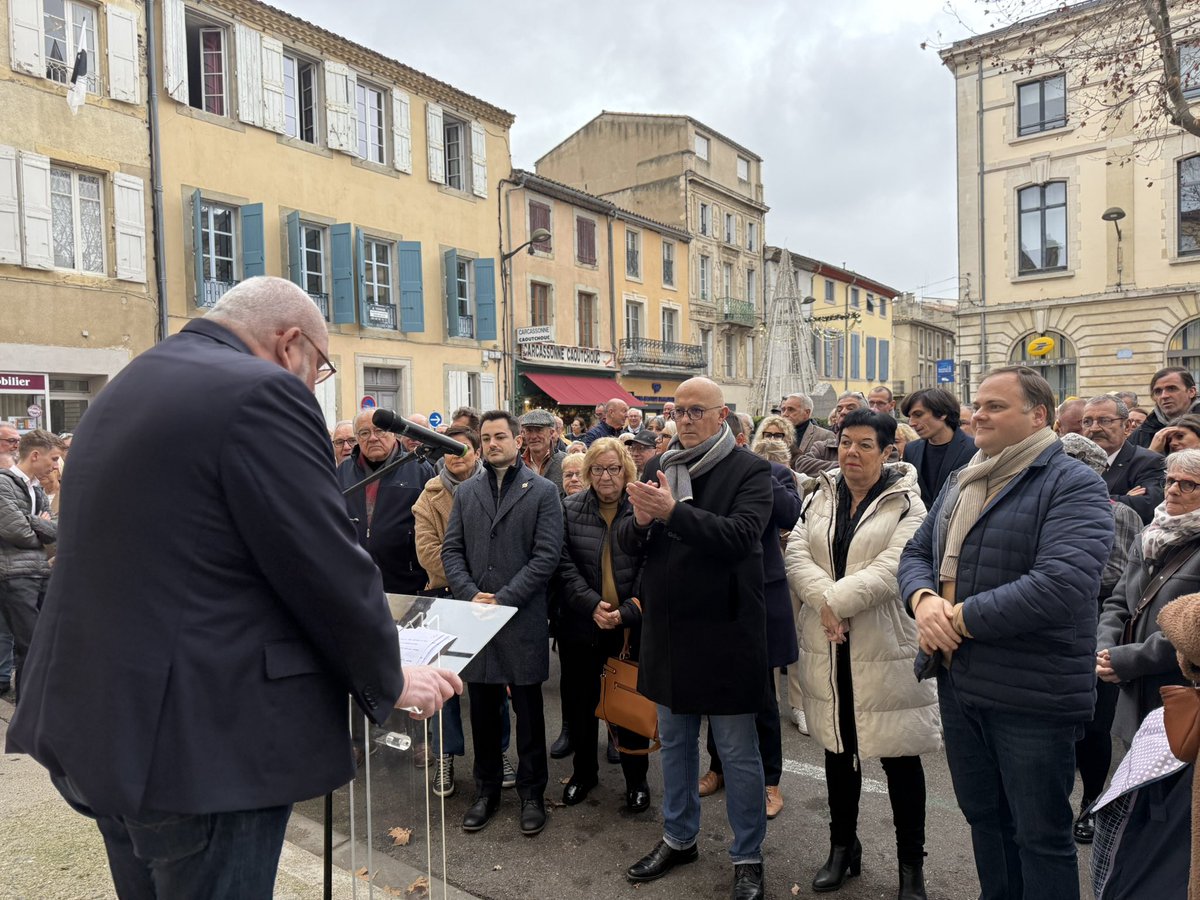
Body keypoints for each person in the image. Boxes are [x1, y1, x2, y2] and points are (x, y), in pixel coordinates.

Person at [5, 277, 460, 896]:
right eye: (320, 369)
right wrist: (389, 676)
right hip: (203, 741)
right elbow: (321, 559)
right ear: (291, 344)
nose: (312, 386)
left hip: (100, 723)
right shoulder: (264, 390)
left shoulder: (131, 383)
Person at [898, 365, 1114, 900]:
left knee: (1040, 836)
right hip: (960, 681)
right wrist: (923, 599)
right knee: (984, 818)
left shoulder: (1073, 482)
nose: (978, 415)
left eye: (995, 406)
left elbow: (1061, 584)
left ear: (1038, 415)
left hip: (1031, 690)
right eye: (978, 405)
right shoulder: (964, 477)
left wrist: (954, 619)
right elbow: (917, 552)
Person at [618, 376, 772, 900]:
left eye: (695, 411)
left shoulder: (750, 469)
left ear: (721, 415)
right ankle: (679, 838)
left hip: (726, 634)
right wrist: (641, 522)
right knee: (676, 747)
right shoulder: (658, 466)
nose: (684, 419)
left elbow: (740, 537)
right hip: (668, 631)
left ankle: (747, 857)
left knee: (737, 753)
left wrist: (672, 512)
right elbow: (629, 542)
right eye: (677, 411)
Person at [786, 409, 937, 899]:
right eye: (846, 442)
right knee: (838, 754)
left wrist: (836, 602)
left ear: (888, 451)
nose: (851, 452)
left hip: (885, 646)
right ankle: (842, 848)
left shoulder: (907, 502)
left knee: (900, 761)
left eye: (865, 444)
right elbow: (796, 553)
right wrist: (825, 604)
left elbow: (896, 566)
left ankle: (911, 867)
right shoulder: (821, 494)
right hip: (829, 643)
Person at [441, 410, 564, 837]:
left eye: (500, 436)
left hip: (520, 618)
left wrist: (504, 599)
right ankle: (487, 791)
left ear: (517, 441)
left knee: (528, 713)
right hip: (477, 617)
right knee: (483, 714)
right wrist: (469, 593)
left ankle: (532, 794)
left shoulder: (543, 491)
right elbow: (452, 550)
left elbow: (547, 556)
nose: (492, 444)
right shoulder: (466, 492)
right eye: (486, 438)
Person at [699, 412, 801, 823]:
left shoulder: (773, 472)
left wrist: (758, 472)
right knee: (716, 687)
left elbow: (790, 514)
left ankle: (770, 780)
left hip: (761, 592)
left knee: (761, 695)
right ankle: (718, 767)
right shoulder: (702, 471)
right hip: (716, 595)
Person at [555, 437, 651, 812]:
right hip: (582, 624)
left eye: (613, 468)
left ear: (626, 471)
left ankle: (636, 780)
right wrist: (592, 605)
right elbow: (563, 566)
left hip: (628, 628)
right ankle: (583, 774)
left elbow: (649, 564)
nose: (605, 476)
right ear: (587, 472)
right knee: (581, 705)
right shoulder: (569, 509)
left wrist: (627, 611)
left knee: (629, 707)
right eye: (597, 468)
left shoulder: (641, 508)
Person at [1058, 433, 1145, 845]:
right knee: (1056, 725)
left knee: (1095, 725)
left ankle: (1091, 803)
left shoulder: (1119, 513)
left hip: (1098, 622)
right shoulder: (1039, 508)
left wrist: (1064, 574)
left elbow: (1124, 580)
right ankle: (1056, 805)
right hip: (1048, 628)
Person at [1096, 448, 1200, 749]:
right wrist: (1104, 649)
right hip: (1135, 696)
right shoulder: (1148, 535)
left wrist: (1129, 659)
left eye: (1188, 484)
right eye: (1170, 481)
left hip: (1183, 696)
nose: (1173, 490)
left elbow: (1193, 632)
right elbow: (1119, 602)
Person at [412, 425, 490, 800]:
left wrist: (476, 579)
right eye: (448, 449)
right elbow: (427, 553)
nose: (454, 456)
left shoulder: (495, 487)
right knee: (444, 686)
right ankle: (445, 755)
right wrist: (469, 576)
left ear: (477, 452)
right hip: (444, 596)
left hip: (484, 600)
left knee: (490, 683)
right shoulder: (429, 496)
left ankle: (497, 752)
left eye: (461, 449)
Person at [338, 409, 433, 596]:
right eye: (364, 433)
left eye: (380, 430)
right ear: (357, 438)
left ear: (394, 433)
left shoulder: (419, 469)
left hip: (406, 581)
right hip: (354, 581)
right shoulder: (343, 471)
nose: (372, 438)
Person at [0, 429, 62, 701]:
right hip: (14, 575)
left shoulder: (35, 488)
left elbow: (55, 531)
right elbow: (19, 533)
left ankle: (35, 705)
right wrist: (39, 524)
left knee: (43, 644)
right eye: (54, 458)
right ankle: (28, 707)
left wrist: (33, 521)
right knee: (30, 645)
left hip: (39, 571)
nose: (56, 466)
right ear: (35, 455)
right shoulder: (3, 483)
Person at [1082, 394, 1165, 525]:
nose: (1094, 428)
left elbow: (1146, 507)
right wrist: (1122, 499)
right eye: (1087, 422)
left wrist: (1081, 499)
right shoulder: (1074, 462)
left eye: (1105, 421)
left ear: (1126, 426)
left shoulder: (1148, 462)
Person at [900, 388, 975, 510]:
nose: (912, 423)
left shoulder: (975, 449)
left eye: (918, 415)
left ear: (942, 413)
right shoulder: (911, 449)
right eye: (910, 417)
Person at [796, 393, 868, 475]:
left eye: (850, 408)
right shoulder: (823, 447)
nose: (843, 412)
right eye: (839, 410)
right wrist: (845, 466)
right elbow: (802, 464)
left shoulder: (875, 445)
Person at [1134, 366, 1200, 449]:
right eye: (1158, 391)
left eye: (1172, 389)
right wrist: (1151, 453)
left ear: (1191, 392)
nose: (1164, 396)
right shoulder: (1142, 432)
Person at [780, 393, 834, 470]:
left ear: (807, 413)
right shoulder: (774, 434)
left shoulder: (825, 436)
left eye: (791, 410)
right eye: (783, 410)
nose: (785, 414)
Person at [519, 409, 567, 495]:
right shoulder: (517, 465)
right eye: (529, 430)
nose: (533, 436)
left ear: (551, 433)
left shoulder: (565, 462)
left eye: (539, 430)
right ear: (523, 433)